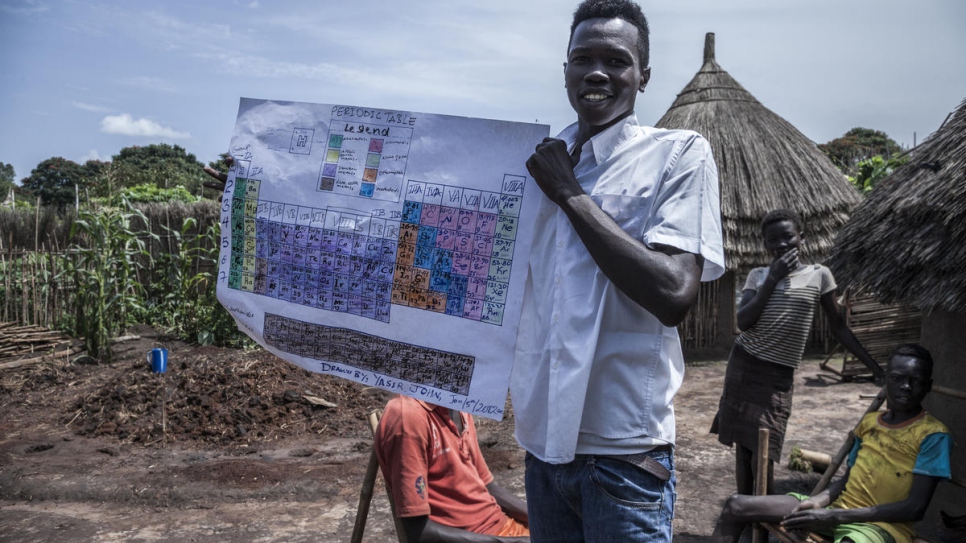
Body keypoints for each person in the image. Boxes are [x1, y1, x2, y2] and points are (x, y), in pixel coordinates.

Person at [509, 0, 725, 541]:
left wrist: (569, 194)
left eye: (617, 60)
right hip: (542, 452)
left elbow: (674, 293)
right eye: (583, 58)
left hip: (624, 459)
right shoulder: (532, 162)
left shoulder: (679, 155)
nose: (598, 72)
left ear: (643, 76)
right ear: (566, 72)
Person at [710, 209, 885, 496]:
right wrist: (773, 279)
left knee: (766, 447)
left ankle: (760, 523)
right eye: (773, 240)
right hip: (745, 365)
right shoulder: (759, 275)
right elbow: (744, 322)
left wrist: (875, 367)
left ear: (801, 238)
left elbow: (839, 327)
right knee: (744, 448)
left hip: (778, 375)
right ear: (765, 245)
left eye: (787, 237)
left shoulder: (820, 276)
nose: (781, 244)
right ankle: (743, 516)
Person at [710, 344, 951, 543]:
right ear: (886, 379)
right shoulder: (869, 423)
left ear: (927, 386)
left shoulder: (932, 435)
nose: (905, 387)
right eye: (898, 378)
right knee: (736, 505)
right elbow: (848, 478)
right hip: (837, 509)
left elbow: (914, 508)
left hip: (881, 526)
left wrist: (832, 517)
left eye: (915, 381)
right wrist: (817, 501)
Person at [375, 394, 530, 542]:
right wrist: (514, 542)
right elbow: (418, 532)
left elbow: (487, 486)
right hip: (475, 537)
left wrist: (541, 518)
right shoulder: (408, 417)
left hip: (502, 529)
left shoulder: (458, 402)